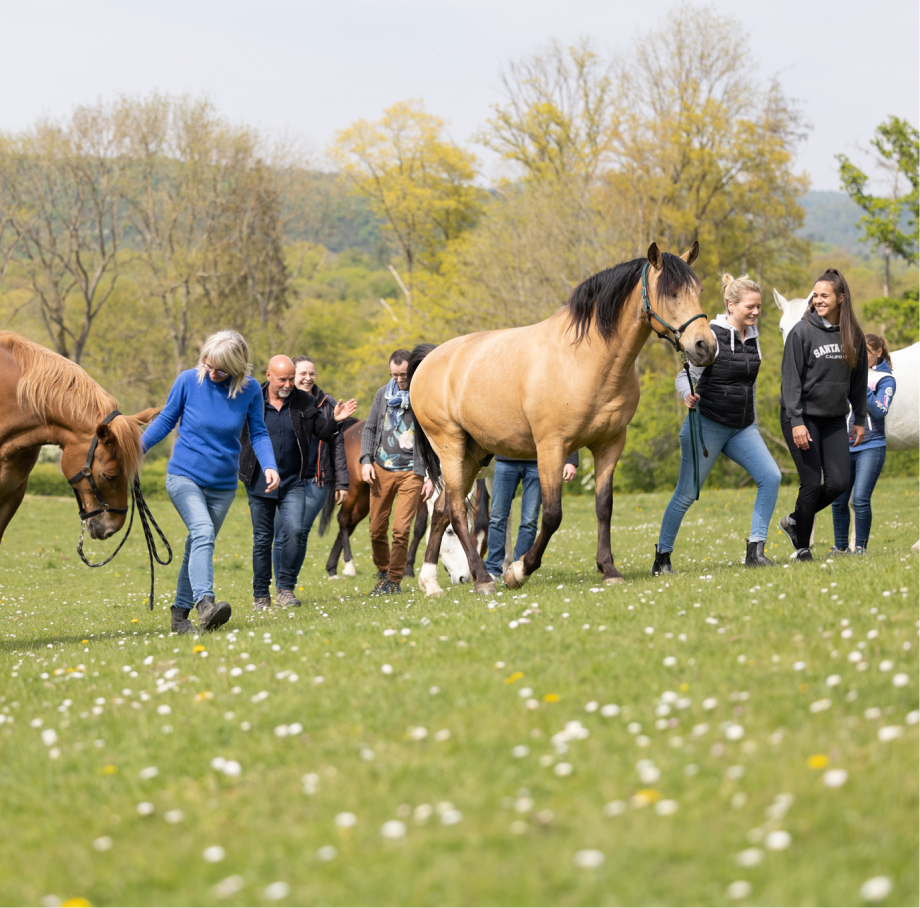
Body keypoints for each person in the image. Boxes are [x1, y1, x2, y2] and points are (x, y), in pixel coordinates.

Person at [141, 330, 279, 635]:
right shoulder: (188, 380)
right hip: (184, 476)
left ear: (237, 369)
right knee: (202, 531)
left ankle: (179, 615)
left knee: (197, 545)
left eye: (220, 369)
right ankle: (205, 604)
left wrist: (269, 466)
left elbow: (257, 432)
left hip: (223, 486)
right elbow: (166, 420)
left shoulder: (250, 390)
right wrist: (136, 448)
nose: (211, 372)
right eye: (207, 363)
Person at [653, 274, 781, 575]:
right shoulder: (711, 336)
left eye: (759, 307)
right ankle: (662, 557)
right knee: (686, 494)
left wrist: (754, 421)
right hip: (707, 425)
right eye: (750, 307)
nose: (756, 313)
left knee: (771, 477)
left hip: (742, 427)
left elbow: (749, 384)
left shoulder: (753, 336)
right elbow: (684, 377)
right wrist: (687, 394)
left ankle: (756, 550)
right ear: (731, 305)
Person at [239, 355, 356, 610]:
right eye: (283, 379)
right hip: (260, 482)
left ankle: (285, 590)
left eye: (291, 379)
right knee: (263, 539)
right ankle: (261, 595)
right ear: (268, 375)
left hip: (293, 481)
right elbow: (237, 433)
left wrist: (336, 420)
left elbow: (323, 433)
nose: (288, 384)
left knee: (293, 532)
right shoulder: (251, 399)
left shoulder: (305, 401)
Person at [779, 268, 868, 562]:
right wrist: (796, 421)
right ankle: (802, 550)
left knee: (839, 483)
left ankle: (795, 519)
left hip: (833, 418)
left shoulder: (852, 334)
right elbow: (790, 381)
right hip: (802, 417)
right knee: (810, 480)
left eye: (824, 295)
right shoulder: (801, 332)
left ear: (841, 298)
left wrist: (858, 417)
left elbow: (858, 378)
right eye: (815, 295)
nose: (818, 300)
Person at [271, 355, 351, 589]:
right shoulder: (277, 401)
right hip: (284, 478)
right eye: (302, 374)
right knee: (280, 533)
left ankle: (287, 586)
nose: (307, 378)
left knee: (299, 531)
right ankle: (280, 587)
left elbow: (337, 443)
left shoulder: (327, 403)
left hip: (316, 480)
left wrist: (343, 482)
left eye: (311, 373)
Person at [360, 349, 433, 595]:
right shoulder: (383, 394)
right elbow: (369, 429)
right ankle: (382, 572)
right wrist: (366, 461)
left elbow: (433, 435)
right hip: (381, 469)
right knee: (376, 529)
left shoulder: (422, 393)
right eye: (395, 375)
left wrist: (431, 476)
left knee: (401, 530)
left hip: (412, 472)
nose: (400, 380)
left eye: (403, 375)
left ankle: (393, 581)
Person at [829, 334, 896, 556]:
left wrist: (861, 385)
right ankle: (840, 548)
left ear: (878, 352)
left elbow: (880, 410)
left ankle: (860, 548)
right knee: (838, 500)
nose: (859, 357)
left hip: (871, 446)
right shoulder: (847, 372)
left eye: (865, 352)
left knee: (859, 499)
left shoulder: (886, 379)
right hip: (842, 445)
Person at [485, 453, 579, 582]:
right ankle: (492, 570)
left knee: (529, 521)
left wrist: (571, 461)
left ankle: (518, 571)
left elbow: (564, 432)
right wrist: (479, 459)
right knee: (496, 518)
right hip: (505, 460)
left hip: (537, 462)